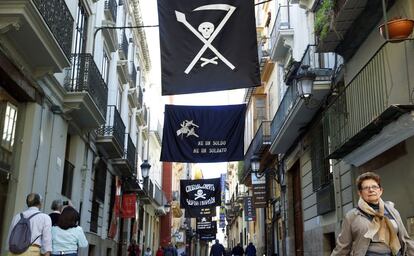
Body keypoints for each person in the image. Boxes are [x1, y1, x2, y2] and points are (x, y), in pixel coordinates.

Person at [331, 172, 414, 256]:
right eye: (366, 188)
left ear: (380, 190)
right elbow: (343, 247)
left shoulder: (393, 211)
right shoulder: (352, 216)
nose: (371, 190)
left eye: (374, 187)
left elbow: (405, 239)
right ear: (360, 193)